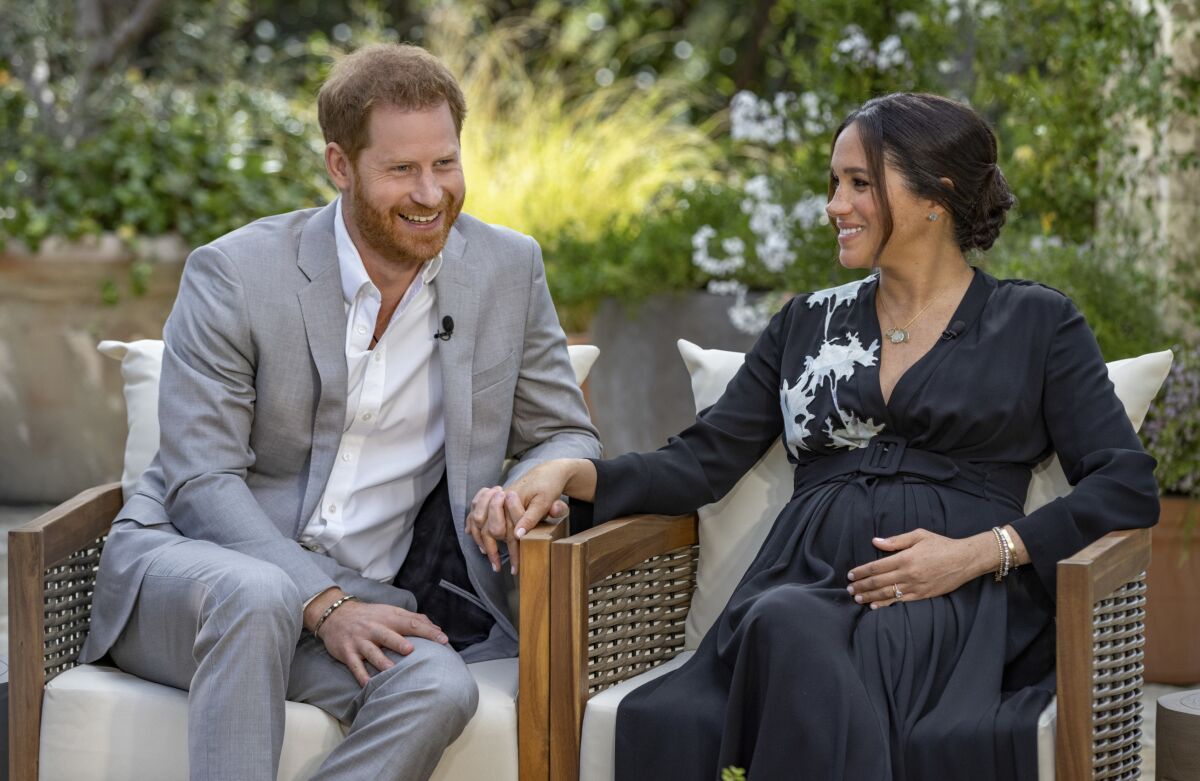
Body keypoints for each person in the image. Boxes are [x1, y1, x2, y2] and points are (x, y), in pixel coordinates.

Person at [501, 93, 1159, 780]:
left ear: (938, 195)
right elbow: (700, 461)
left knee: (788, 629)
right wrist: (575, 474)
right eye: (834, 183)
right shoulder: (806, 325)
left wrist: (980, 553)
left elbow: (1125, 481)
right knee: (782, 621)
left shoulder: (1036, 322)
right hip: (802, 582)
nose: (834, 205)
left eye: (859, 183)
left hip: (947, 600)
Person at [77, 43, 600, 781]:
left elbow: (565, 427)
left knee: (438, 684)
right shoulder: (234, 273)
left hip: (359, 597)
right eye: (401, 170)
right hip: (192, 583)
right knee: (258, 592)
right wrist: (319, 600)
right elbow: (201, 483)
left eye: (445, 163)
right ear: (339, 166)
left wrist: (541, 474)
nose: (431, 192)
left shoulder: (508, 269)